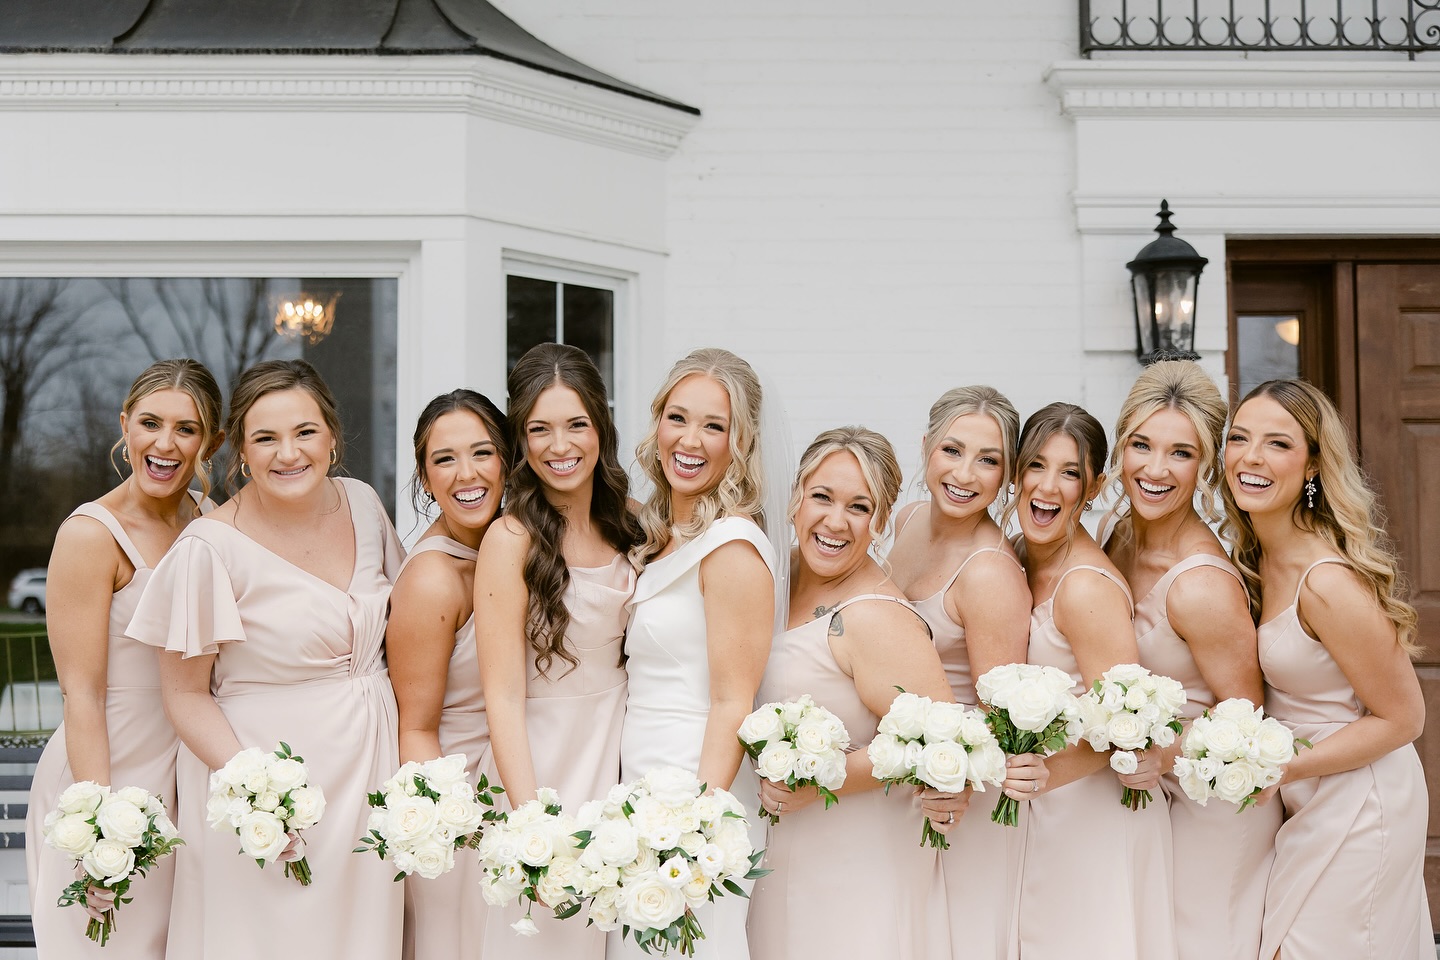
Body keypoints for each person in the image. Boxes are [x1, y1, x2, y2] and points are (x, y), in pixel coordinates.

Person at [128, 359, 404, 960]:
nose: (289, 454)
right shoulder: (207, 549)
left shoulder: (363, 504)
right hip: (263, 782)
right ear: (241, 454)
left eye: (305, 432)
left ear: (332, 435)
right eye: (266, 438)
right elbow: (185, 696)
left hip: (369, 778)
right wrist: (259, 793)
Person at [1224, 379, 1431, 960]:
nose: (1251, 457)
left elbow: (1404, 717)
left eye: (1277, 444)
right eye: (1239, 438)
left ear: (1313, 465)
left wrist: (1281, 767)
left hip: (1362, 799)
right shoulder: (1252, 557)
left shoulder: (1329, 581)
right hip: (1306, 797)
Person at [27, 359, 223, 958]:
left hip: (190, 773)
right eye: (150, 423)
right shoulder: (90, 535)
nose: (165, 445)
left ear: (210, 440)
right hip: (110, 765)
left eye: (186, 429)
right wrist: (96, 823)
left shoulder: (212, 522)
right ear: (125, 426)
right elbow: (80, 694)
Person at [747, 426, 956, 960]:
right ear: (795, 498)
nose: (835, 522)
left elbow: (938, 742)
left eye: (858, 507)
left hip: (857, 856)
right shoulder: (772, 576)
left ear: (880, 521)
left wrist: (820, 780)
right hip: (784, 849)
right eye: (822, 497)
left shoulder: (874, 618)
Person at [1100, 361, 1274, 960]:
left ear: (1204, 467)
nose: (1154, 469)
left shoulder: (1201, 585)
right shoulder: (1118, 535)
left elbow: (1247, 716)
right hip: (1147, 799)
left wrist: (1161, 752)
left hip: (1212, 808)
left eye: (1180, 453)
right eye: (1141, 445)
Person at [611, 347, 777, 960]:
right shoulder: (659, 534)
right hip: (641, 775)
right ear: (656, 424)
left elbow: (734, 699)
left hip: (695, 789)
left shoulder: (731, 548)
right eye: (678, 417)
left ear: (741, 442)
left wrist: (695, 831)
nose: (691, 439)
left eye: (715, 425)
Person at [475, 343, 639, 960]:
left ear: (601, 427)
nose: (558, 445)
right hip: (542, 761)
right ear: (521, 439)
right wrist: (531, 827)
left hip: (623, 752)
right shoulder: (510, 539)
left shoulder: (633, 522)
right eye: (538, 429)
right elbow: (503, 694)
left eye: (576, 425)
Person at [1012, 402, 1177, 960]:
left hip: (1092, 814)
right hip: (1045, 809)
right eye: (1036, 465)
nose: (1048, 486)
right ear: (1016, 474)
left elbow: (1125, 728)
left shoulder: (1085, 588)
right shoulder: (1019, 558)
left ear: (1096, 485)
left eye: (1071, 472)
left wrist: (1038, 776)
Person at [887, 386, 1041, 960]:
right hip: (904, 776)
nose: (965, 474)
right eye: (952, 450)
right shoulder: (904, 521)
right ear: (926, 447)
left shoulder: (991, 574)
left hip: (959, 797)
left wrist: (948, 783)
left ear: (1007, 475)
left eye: (989, 459)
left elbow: (1002, 719)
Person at [388, 389, 508, 960]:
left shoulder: (506, 547)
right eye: (445, 459)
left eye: (483, 453)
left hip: (512, 783)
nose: (467, 475)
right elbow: (415, 729)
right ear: (424, 475)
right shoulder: (433, 579)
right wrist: (453, 828)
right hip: (462, 807)